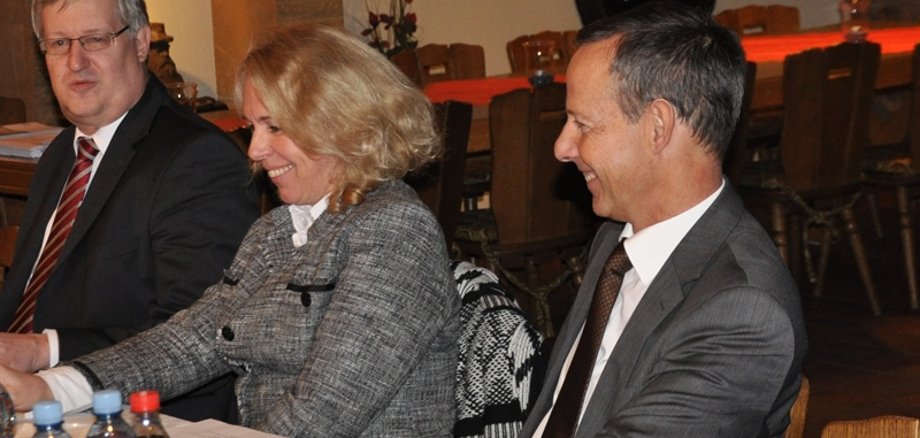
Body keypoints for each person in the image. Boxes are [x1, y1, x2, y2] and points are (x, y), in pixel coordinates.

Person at [0, 23, 460, 437]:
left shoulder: (395, 231)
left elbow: (326, 410)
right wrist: (52, 388)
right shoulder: (276, 231)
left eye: (274, 127)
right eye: (252, 126)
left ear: (341, 123)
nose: (255, 150)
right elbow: (193, 339)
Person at [520, 2, 808, 437]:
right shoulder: (616, 240)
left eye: (582, 123)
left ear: (658, 126)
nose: (562, 146)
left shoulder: (742, 313)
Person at [0, 0, 259, 422]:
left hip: (136, 414)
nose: (75, 61)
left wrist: (42, 348)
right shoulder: (60, 154)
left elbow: (198, 334)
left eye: (94, 39)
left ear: (140, 43)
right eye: (59, 43)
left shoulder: (196, 158)